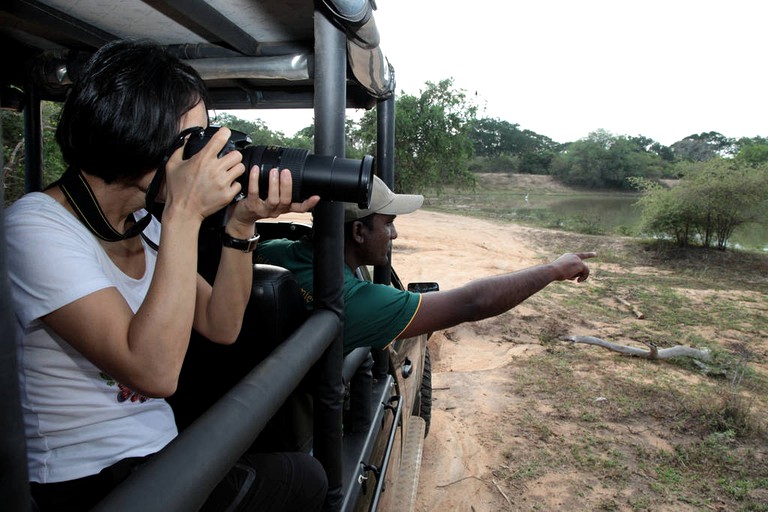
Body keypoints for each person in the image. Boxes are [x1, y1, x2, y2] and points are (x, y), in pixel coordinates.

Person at [6, 40, 326, 511]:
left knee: (304, 475)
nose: (204, 157)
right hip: (85, 480)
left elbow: (222, 325)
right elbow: (153, 373)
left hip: (157, 453)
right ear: (134, 137)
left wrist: (240, 223)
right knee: (303, 479)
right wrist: (184, 213)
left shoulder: (146, 223)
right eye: (193, 142)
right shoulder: (34, 227)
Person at [256, 176, 595, 352]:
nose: (394, 233)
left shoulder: (272, 250)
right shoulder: (349, 299)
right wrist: (553, 270)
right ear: (358, 231)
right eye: (388, 223)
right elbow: (471, 302)